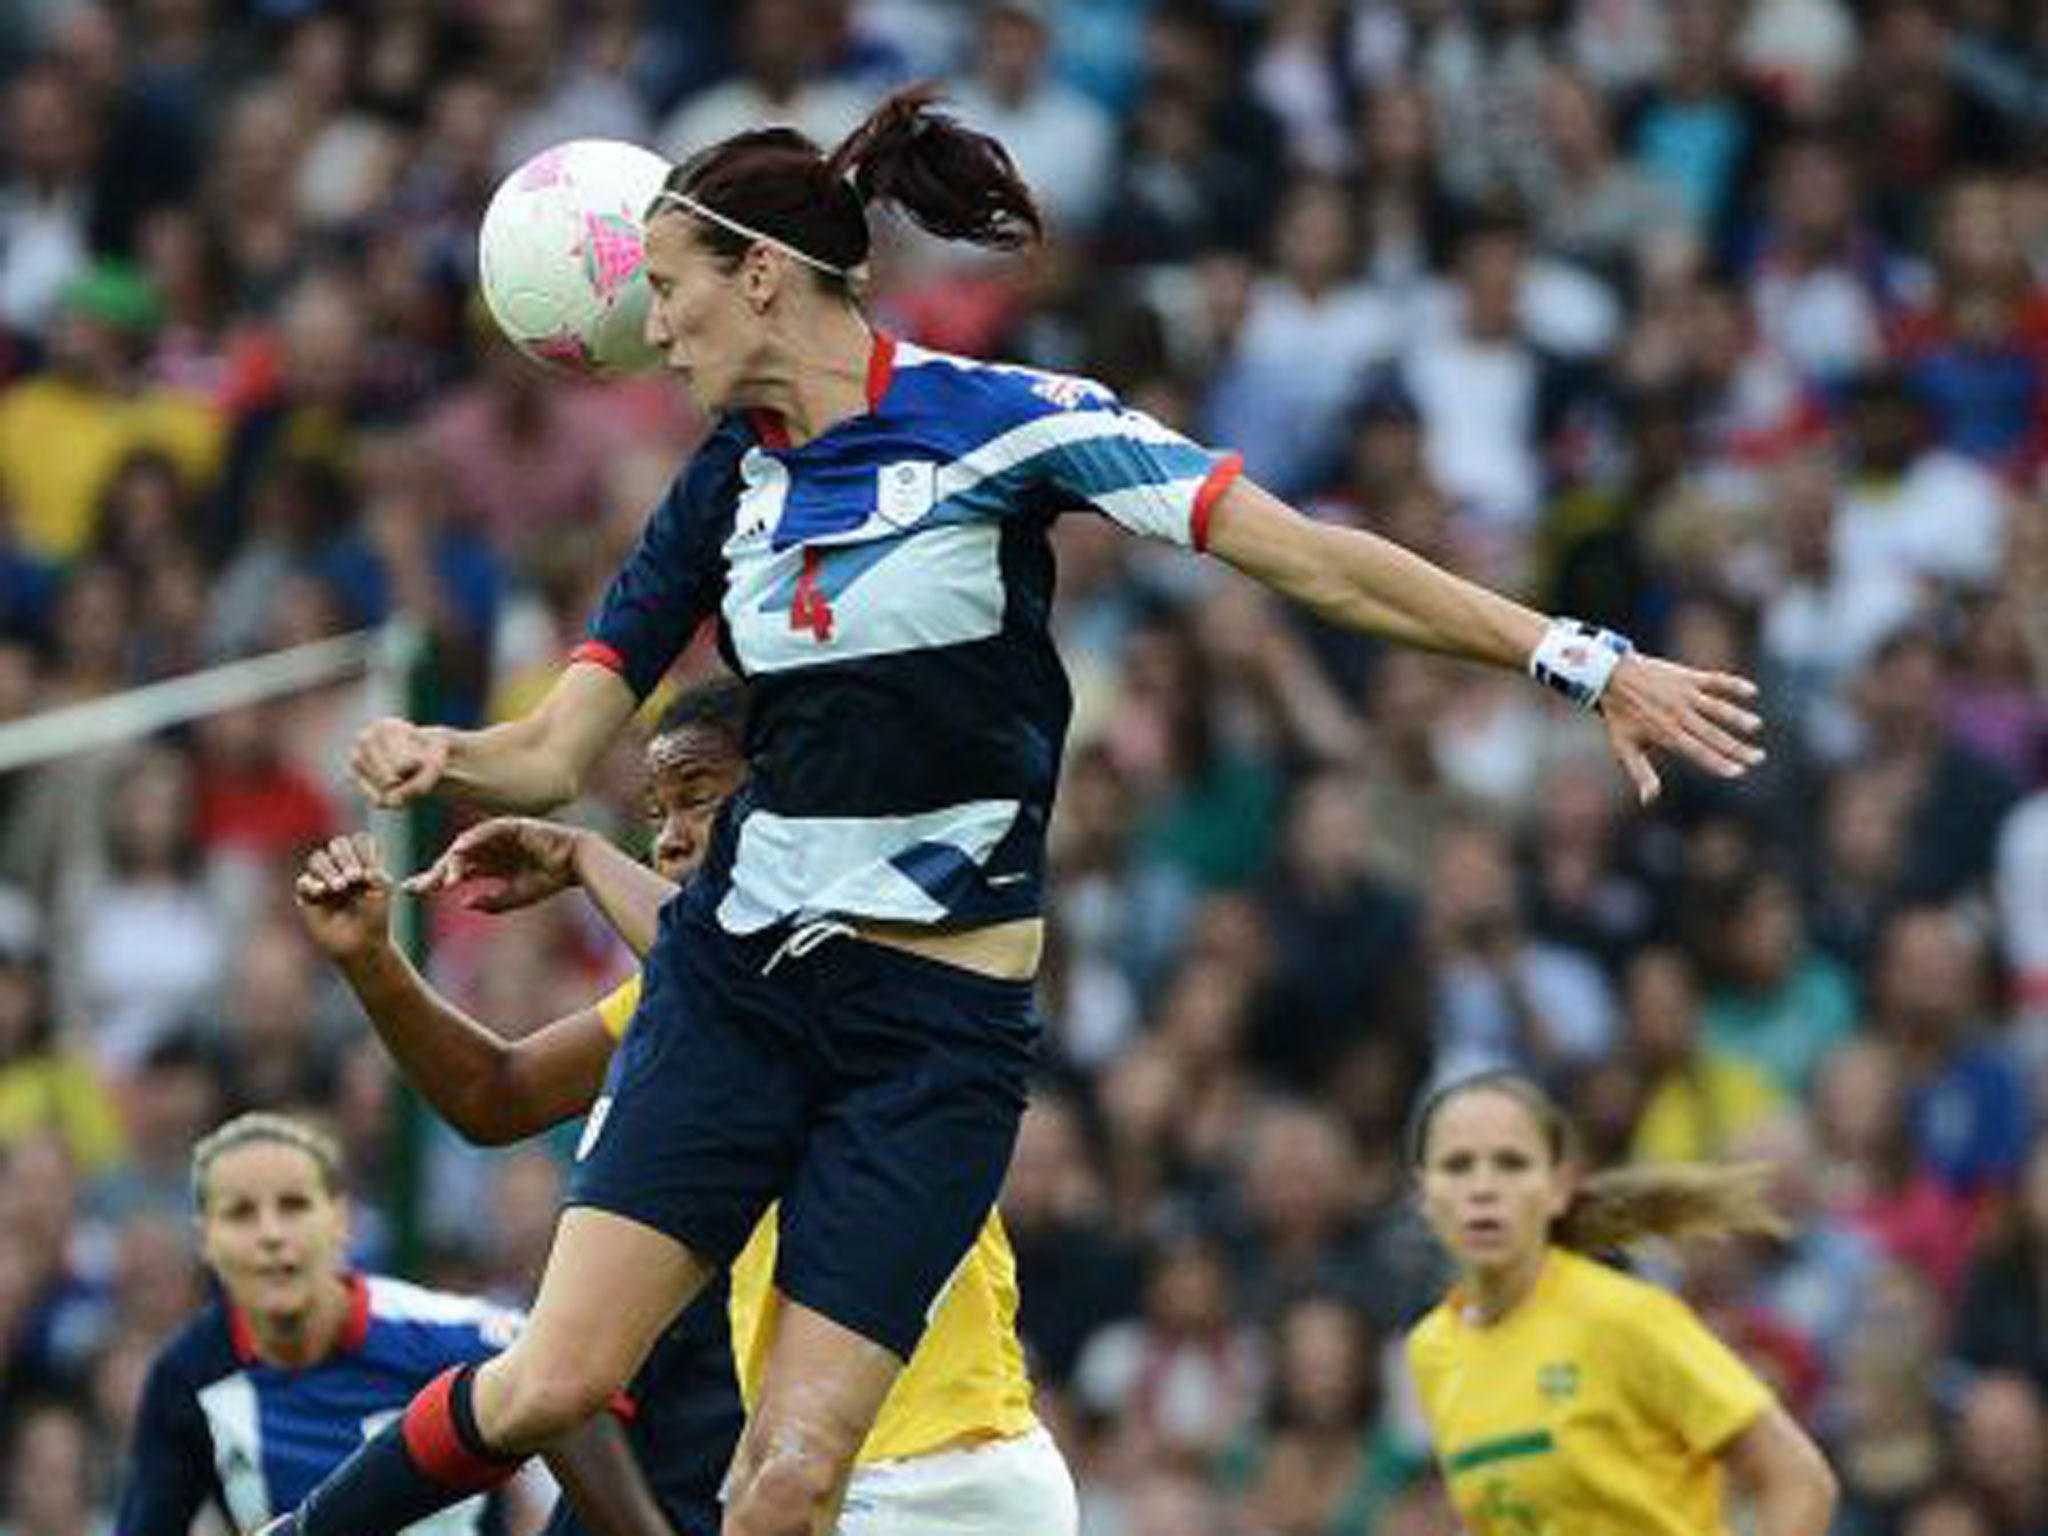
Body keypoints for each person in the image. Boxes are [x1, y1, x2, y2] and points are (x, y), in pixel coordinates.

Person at [292, 84, 1765, 1536]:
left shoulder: (1009, 428)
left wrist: (1576, 659)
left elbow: (1311, 559)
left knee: (789, 1486)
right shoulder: (719, 489)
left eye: (666, 287)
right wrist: (447, 754)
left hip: (932, 1043)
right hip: (735, 989)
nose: (648, 326)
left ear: (760, 274)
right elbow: (556, 753)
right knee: (554, 1383)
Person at [292, 680, 1076, 1534]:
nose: (669, 838)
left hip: (929, 1474)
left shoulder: (877, 945)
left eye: (698, 799)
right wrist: (374, 965)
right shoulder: (698, 1011)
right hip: (818, 1484)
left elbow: (755, 960)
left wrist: (586, 857)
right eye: (656, 811)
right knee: (545, 1385)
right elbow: (498, 1093)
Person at [114, 1111, 669, 1536]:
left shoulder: (455, 1336)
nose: (271, 1234)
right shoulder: (187, 1376)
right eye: (240, 1213)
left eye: (293, 1205)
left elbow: (573, 1393)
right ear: (204, 1239)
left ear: (341, 1220)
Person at [1405, 1069, 1837, 1536]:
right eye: (1457, 1166)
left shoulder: (1623, 1318)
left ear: (1559, 1188)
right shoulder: (1432, 1350)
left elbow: (1798, 1479)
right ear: (1425, 1196)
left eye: (1511, 1163)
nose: (1483, 1188)